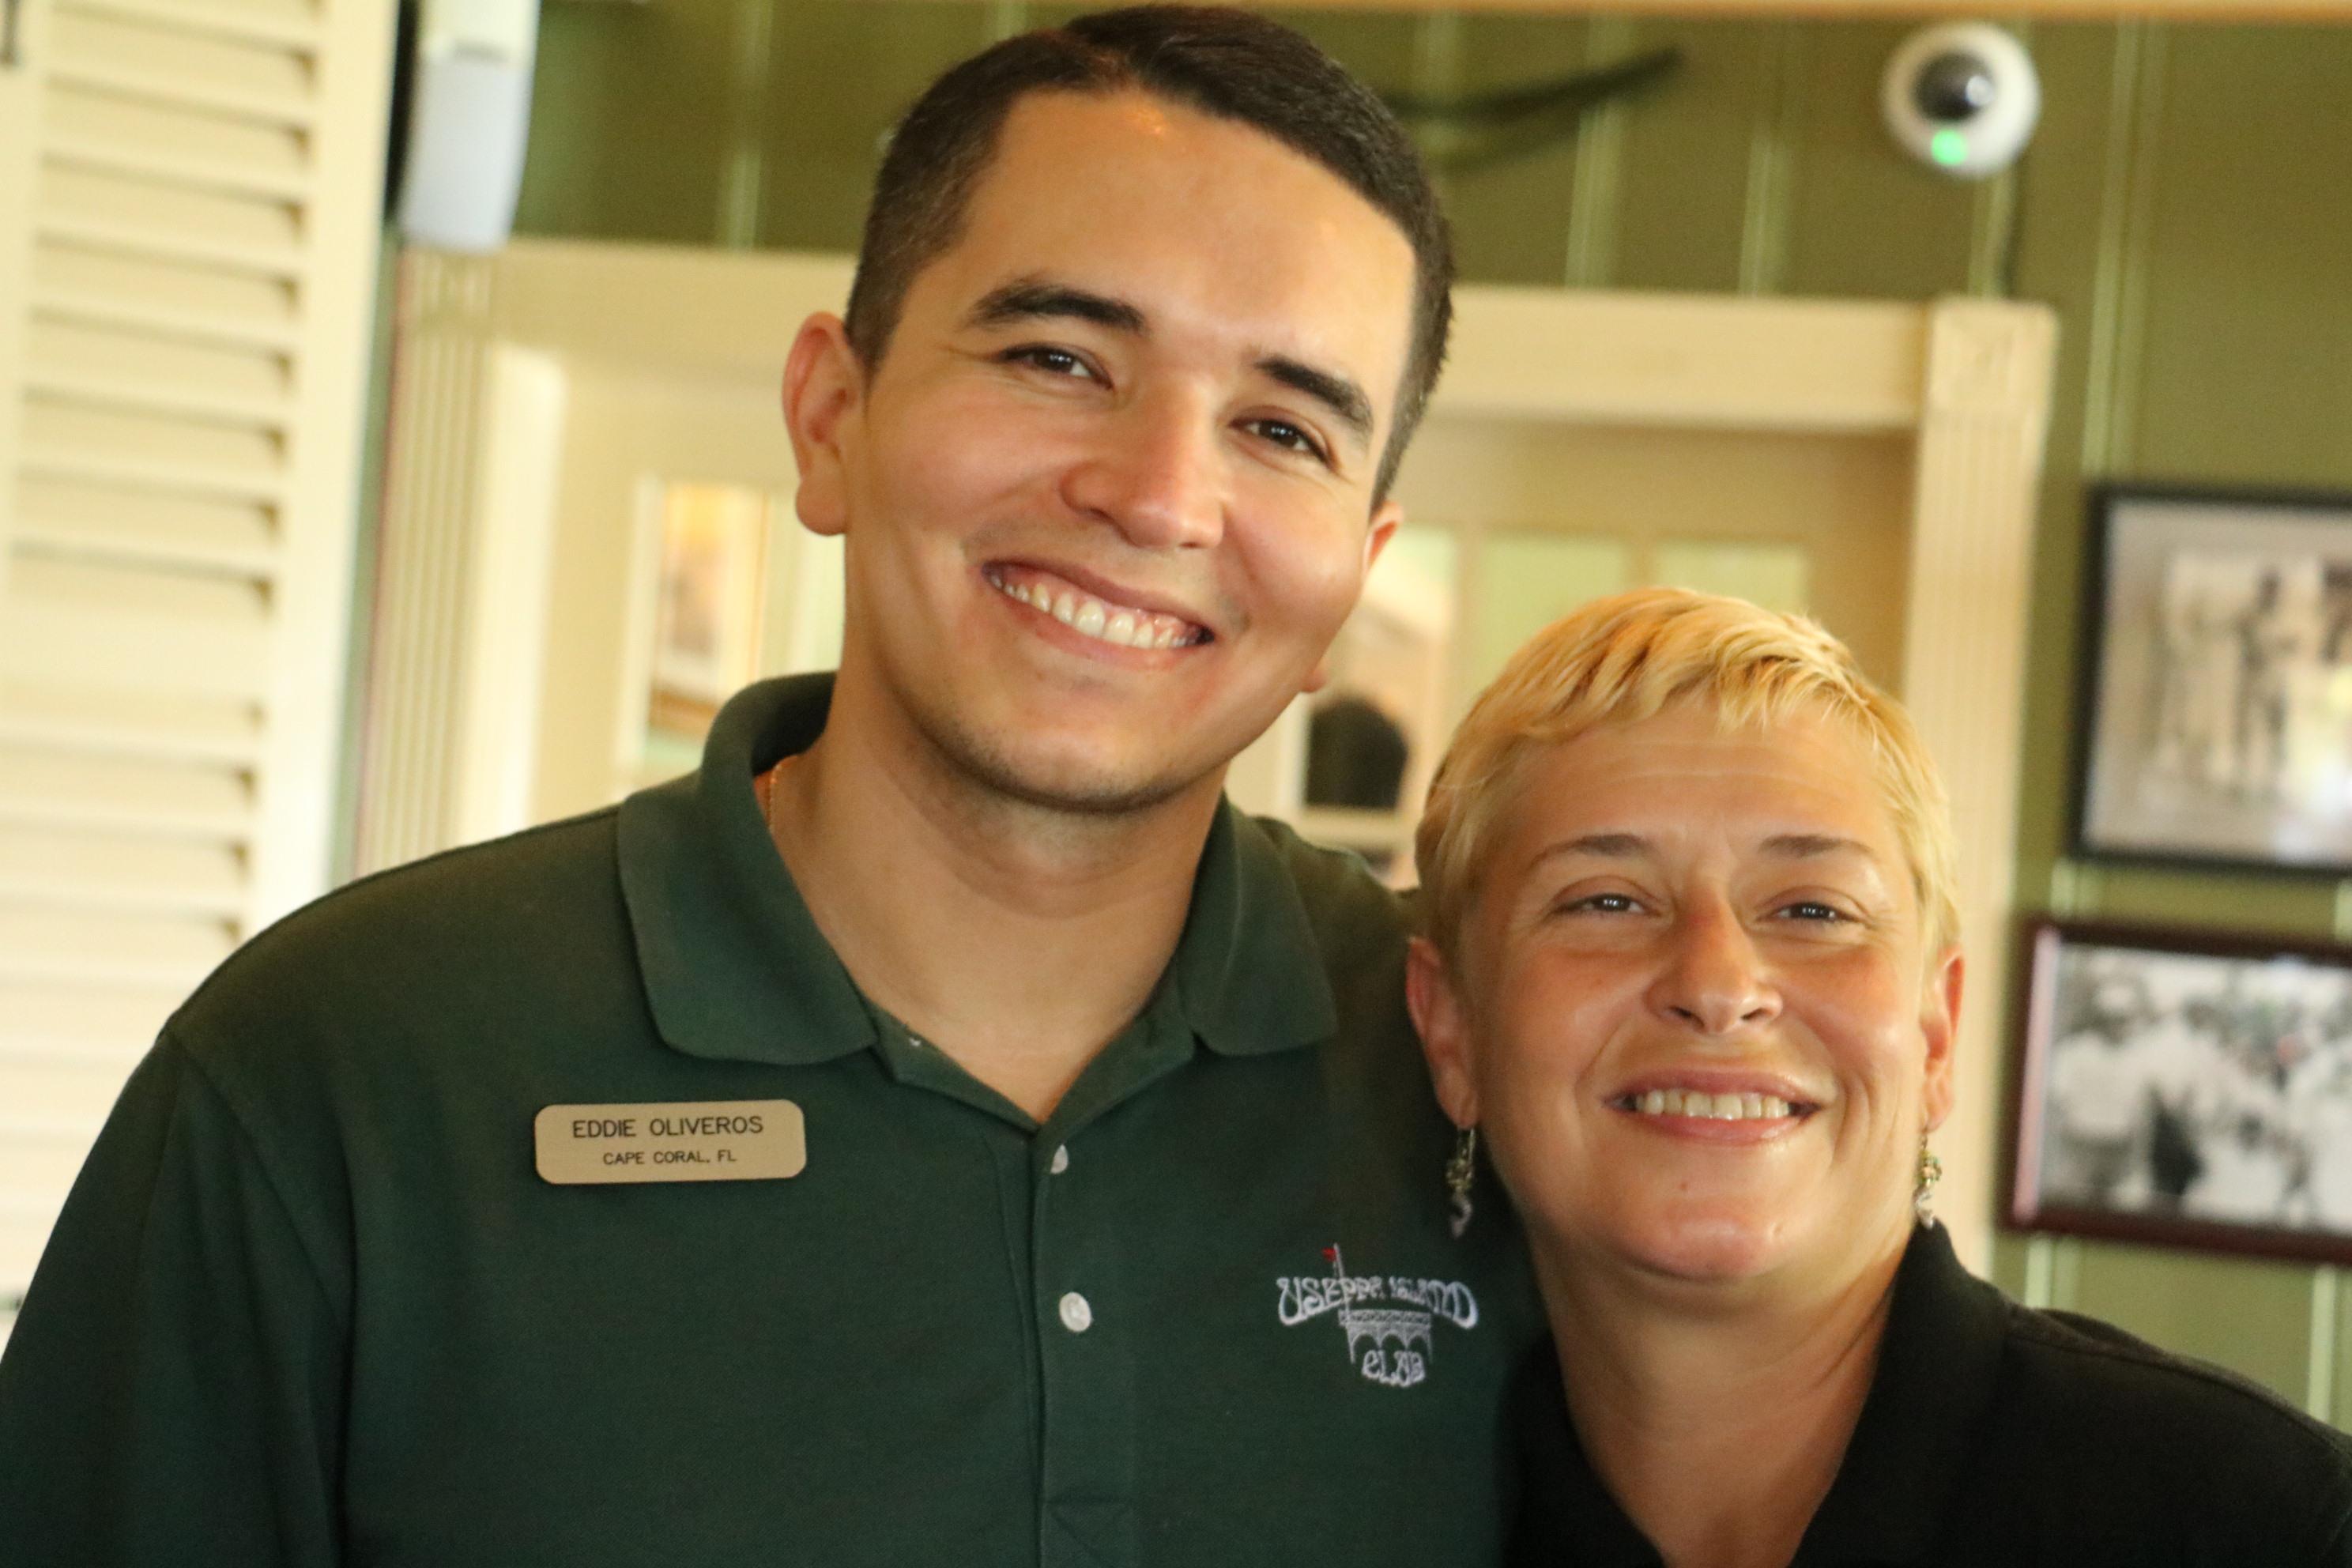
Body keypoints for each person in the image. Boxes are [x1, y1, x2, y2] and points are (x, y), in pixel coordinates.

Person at [0, 10, 1541, 1564]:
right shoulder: (339, 1065)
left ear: (1355, 572)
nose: (1158, 497)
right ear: (830, 416)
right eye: (1059, 358)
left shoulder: (1496, 1070)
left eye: (1281, 427)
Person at [1404, 587, 2352, 1567]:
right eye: (1606, 900)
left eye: (1812, 910)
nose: (1718, 985)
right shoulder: (1372, 1518)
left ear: (1936, 1033)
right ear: (1452, 1031)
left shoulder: (2269, 1525)